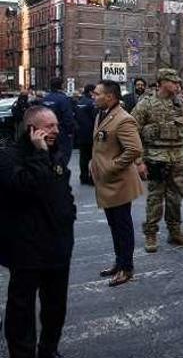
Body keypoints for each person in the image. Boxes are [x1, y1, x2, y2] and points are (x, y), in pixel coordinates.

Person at [0, 106, 76, 358]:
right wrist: (40, 154)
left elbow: (64, 192)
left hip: (57, 246)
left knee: (55, 306)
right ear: (32, 130)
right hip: (26, 248)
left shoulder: (54, 154)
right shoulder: (10, 156)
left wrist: (68, 218)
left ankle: (49, 349)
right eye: (49, 126)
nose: (56, 130)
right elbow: (26, 185)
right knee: (21, 308)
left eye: (56, 125)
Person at [130, 68, 183, 253]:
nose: (177, 85)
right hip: (155, 159)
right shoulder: (146, 104)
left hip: (178, 159)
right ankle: (151, 233)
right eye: (173, 82)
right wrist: (138, 161)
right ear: (162, 82)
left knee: (176, 198)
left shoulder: (182, 105)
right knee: (155, 199)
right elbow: (131, 133)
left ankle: (175, 231)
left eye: (178, 82)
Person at [89, 80, 143, 287]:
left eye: (97, 93)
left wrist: (110, 167)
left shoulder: (123, 119)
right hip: (107, 181)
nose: (94, 96)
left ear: (110, 97)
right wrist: (92, 161)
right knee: (114, 225)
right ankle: (119, 262)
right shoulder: (101, 115)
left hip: (118, 182)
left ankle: (126, 268)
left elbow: (134, 150)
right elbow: (101, 144)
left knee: (122, 226)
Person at [40, 77, 76, 165]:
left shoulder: (45, 99)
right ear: (61, 86)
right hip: (61, 132)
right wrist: (70, 132)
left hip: (45, 131)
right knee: (62, 157)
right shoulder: (64, 99)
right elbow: (68, 117)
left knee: (48, 155)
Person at [74, 84, 98, 185]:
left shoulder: (79, 102)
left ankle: (83, 177)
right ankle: (92, 178)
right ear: (91, 92)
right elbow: (95, 118)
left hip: (81, 133)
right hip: (91, 134)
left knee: (83, 157)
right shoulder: (92, 103)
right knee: (93, 157)